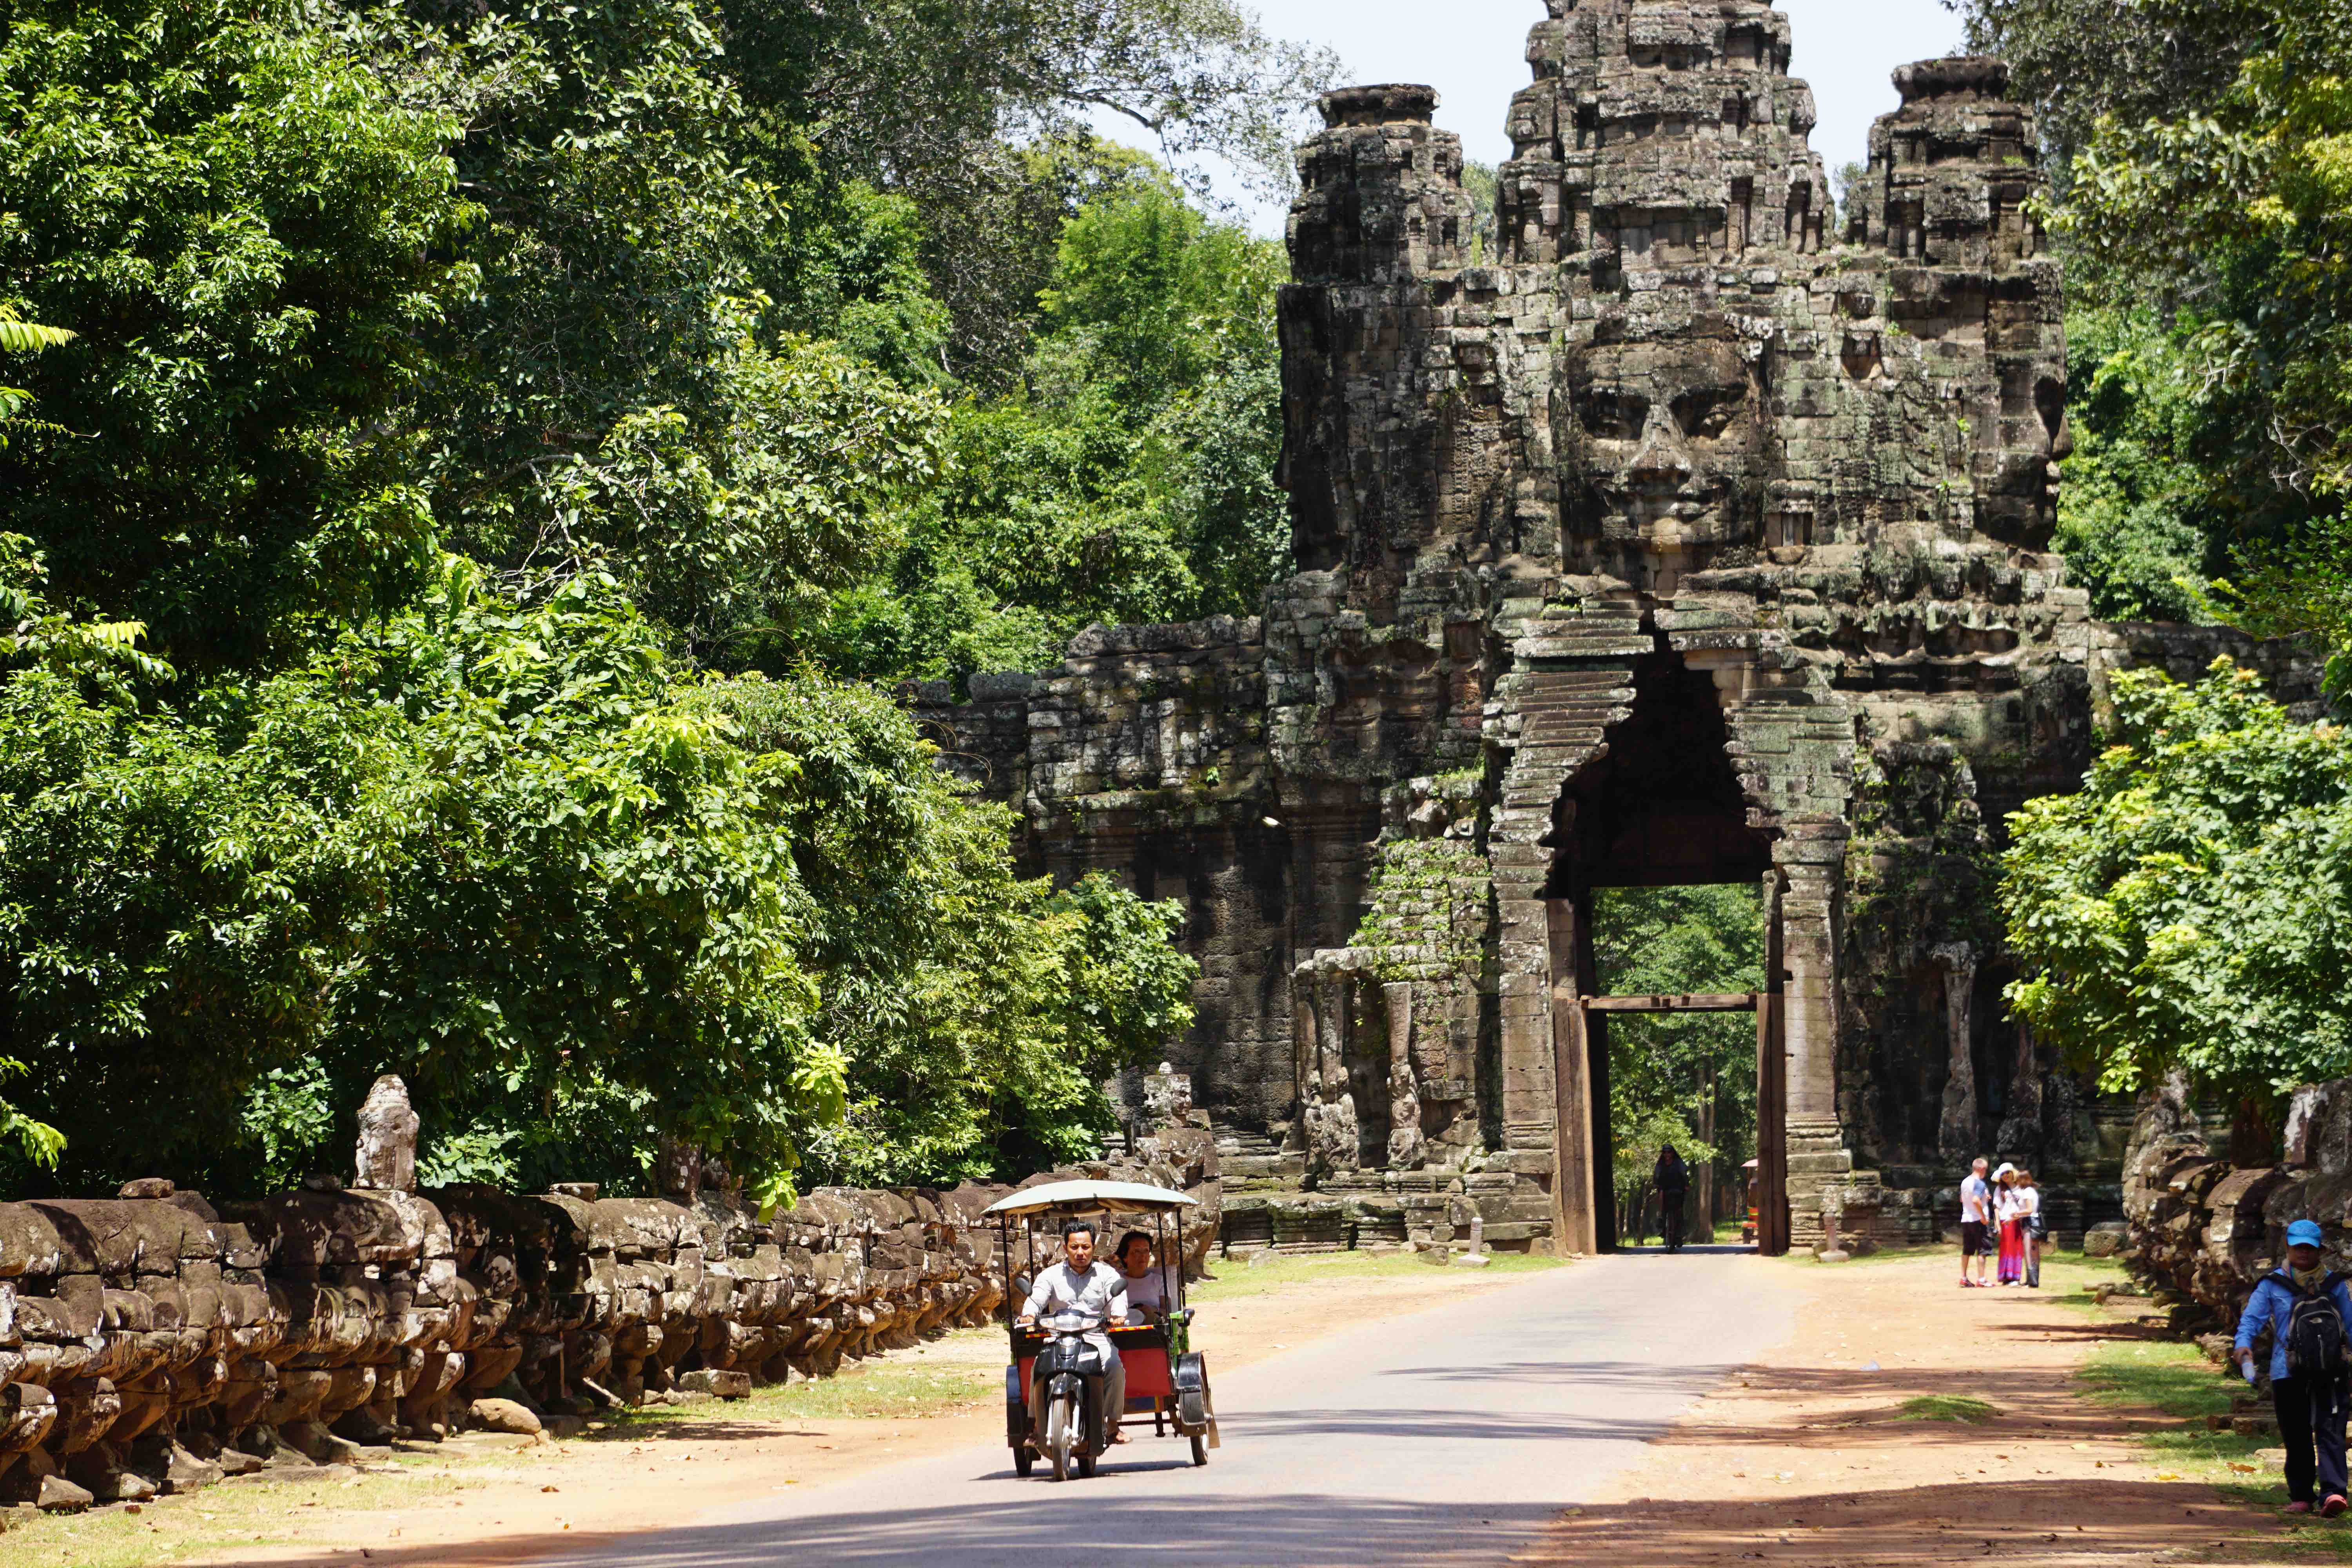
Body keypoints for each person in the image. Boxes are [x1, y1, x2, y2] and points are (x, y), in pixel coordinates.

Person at [2235, 1220, 2352, 1517]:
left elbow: (2350, 1325)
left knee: (2331, 1431)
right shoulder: (2272, 1285)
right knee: (2296, 1434)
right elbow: (2252, 1319)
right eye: (2298, 1246)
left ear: (2320, 1250)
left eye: (2309, 1248)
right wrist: (2243, 1344)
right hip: (2287, 1371)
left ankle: (2334, 1494)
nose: (2303, 1252)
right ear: (2287, 1246)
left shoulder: (2334, 1285)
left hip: (2332, 1370)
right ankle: (2301, 1496)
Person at [1017, 1219, 1131, 1445]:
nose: (1080, 1253)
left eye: (1086, 1247)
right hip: (1058, 1337)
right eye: (1075, 1247)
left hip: (1095, 1338)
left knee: (1115, 1367)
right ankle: (1038, 1426)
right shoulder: (1050, 1275)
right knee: (1038, 1369)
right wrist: (1029, 1314)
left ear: (1094, 1247)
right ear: (1064, 1247)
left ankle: (1112, 1424)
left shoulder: (1107, 1274)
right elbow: (1037, 1297)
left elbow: (1117, 1295)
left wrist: (1118, 1315)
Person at [1113, 1230, 1167, 1323]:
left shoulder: (1159, 1281)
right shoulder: (1115, 1279)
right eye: (1137, 1251)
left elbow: (1168, 1311)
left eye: (1146, 1251)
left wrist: (1154, 1311)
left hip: (1151, 1330)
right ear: (1125, 1256)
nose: (1143, 1256)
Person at [1959, 1156, 1994, 1288]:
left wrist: (1985, 1197)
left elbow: (1963, 1199)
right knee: (1983, 1249)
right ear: (1982, 1169)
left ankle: (1963, 1277)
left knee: (1967, 1249)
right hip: (1978, 1220)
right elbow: (1975, 1200)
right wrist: (1983, 1216)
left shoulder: (1965, 1182)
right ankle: (1982, 1279)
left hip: (1966, 1218)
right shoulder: (1979, 1183)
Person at [1654, 1144, 1690, 1252]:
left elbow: (1684, 1174)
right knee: (1661, 1195)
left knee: (1679, 1211)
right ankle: (1661, 1219)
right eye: (1665, 1152)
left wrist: (1686, 1185)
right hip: (1665, 1189)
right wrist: (1656, 1184)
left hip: (1678, 1188)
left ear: (1673, 1153)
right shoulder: (1660, 1164)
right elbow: (1656, 1175)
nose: (1667, 1155)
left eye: (1669, 1152)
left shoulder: (1679, 1163)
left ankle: (1679, 1233)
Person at [1993, 1163, 2024, 1286]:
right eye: (2003, 1174)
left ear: (2012, 1174)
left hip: (2018, 1221)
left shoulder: (2021, 1188)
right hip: (2005, 1221)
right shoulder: (2000, 1189)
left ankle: (2015, 1276)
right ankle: (2006, 1276)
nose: (2006, 1176)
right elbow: (1996, 1207)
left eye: (2007, 1173)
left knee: (2017, 1247)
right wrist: (1998, 1225)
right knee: (2006, 1247)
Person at [2014, 1169, 2043, 1289]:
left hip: (2029, 1222)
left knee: (2029, 1252)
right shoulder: (2032, 1191)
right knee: (2034, 1252)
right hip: (2034, 1222)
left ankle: (2032, 1281)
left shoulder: (2027, 1192)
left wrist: (2017, 1213)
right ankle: (2032, 1280)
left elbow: (2029, 1210)